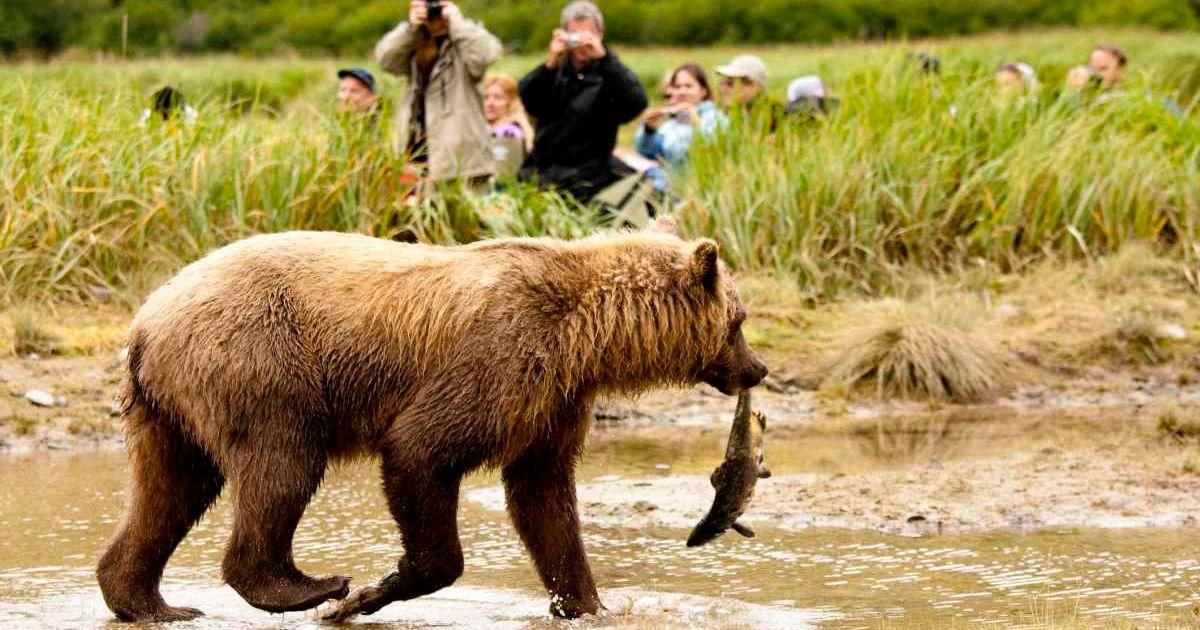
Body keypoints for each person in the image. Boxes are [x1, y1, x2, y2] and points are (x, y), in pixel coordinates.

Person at [518, 1, 648, 203]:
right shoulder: (555, 70)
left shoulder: (610, 72)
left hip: (590, 176)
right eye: (574, 35)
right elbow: (530, 101)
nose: (581, 43)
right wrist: (549, 64)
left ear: (601, 33)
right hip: (544, 171)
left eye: (588, 34)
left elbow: (635, 104)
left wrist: (606, 62)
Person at [375, 0, 501, 190]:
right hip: (417, 152)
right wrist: (409, 29)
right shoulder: (414, 42)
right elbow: (385, 60)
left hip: (462, 160)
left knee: (460, 218)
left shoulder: (464, 41)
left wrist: (457, 23)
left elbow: (486, 55)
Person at [634, 63, 727, 192]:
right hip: (668, 192)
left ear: (703, 91)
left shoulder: (717, 118)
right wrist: (649, 130)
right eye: (677, 87)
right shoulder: (673, 122)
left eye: (688, 86)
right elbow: (650, 153)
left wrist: (695, 122)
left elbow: (713, 151)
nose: (682, 92)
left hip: (703, 192)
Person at [715, 54, 784, 130]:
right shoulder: (725, 114)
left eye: (730, 84)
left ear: (756, 87)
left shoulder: (775, 116)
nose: (722, 89)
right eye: (722, 83)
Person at [484, 74, 534, 178]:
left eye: (498, 98)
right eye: (486, 97)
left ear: (510, 103)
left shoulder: (510, 132)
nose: (490, 103)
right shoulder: (482, 127)